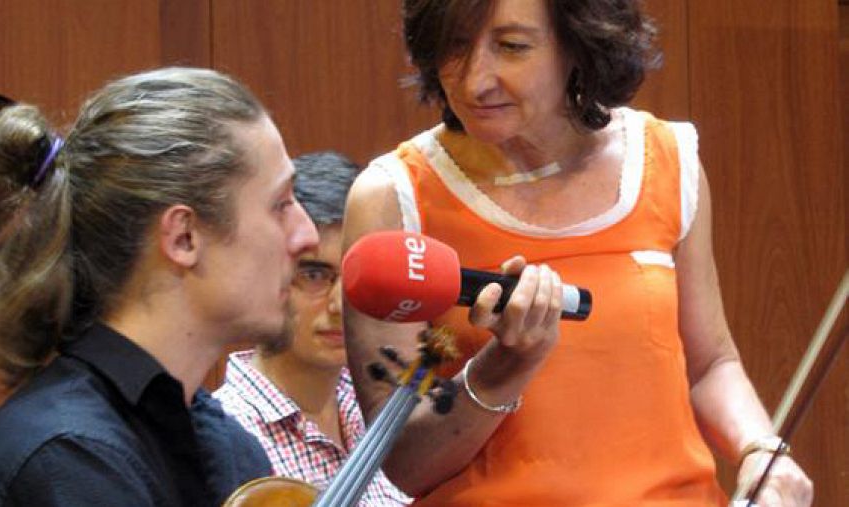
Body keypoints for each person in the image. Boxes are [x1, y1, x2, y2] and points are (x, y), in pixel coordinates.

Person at [341, 1, 814, 506]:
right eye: (454, 45)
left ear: (578, 42)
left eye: (512, 46)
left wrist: (760, 450)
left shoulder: (665, 160)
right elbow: (405, 465)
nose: (475, 81)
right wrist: (501, 371)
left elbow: (711, 364)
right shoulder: (392, 197)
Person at [0, 67, 319, 506]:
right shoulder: (70, 458)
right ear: (183, 237)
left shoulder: (231, 450)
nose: (307, 235)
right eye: (280, 204)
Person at [214, 151, 412, 506]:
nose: (341, 305)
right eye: (315, 275)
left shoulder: (384, 409)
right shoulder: (223, 439)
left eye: (357, 275)